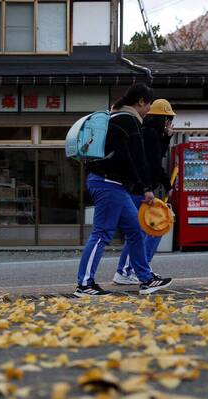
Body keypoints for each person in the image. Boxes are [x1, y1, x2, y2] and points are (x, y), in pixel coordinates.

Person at [75, 84, 173, 297]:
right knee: (102, 234)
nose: (148, 110)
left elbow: (126, 158)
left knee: (136, 232)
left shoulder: (116, 117)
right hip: (108, 183)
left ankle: (146, 279)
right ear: (140, 102)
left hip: (110, 183)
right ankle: (84, 284)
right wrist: (146, 188)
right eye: (148, 105)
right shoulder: (129, 121)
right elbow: (136, 160)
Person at [114, 99, 177, 285]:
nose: (169, 123)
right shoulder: (149, 134)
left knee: (151, 229)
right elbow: (155, 164)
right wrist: (168, 185)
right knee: (142, 231)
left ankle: (139, 269)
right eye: (168, 119)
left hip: (141, 189)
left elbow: (156, 159)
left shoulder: (150, 133)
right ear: (161, 118)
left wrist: (166, 138)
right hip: (140, 190)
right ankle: (127, 271)